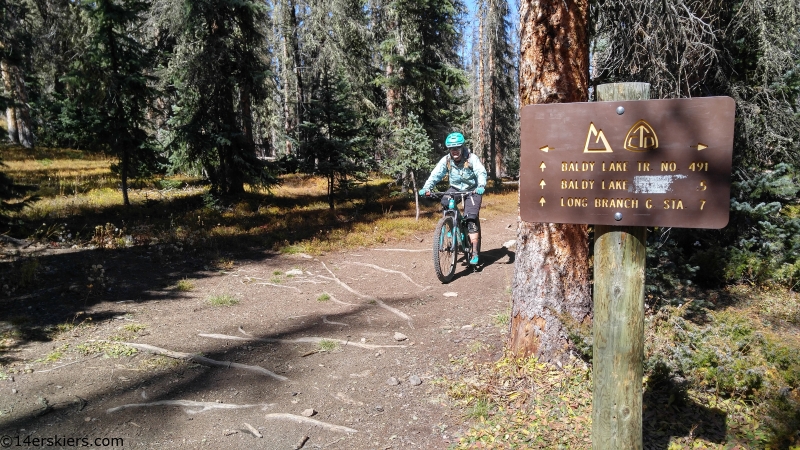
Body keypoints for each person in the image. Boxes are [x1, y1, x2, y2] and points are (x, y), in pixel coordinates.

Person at [419, 132, 487, 265]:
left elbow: (481, 172)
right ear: (449, 149)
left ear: (462, 147)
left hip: (472, 189)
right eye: (451, 148)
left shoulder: (471, 158)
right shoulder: (447, 160)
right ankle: (452, 224)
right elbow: (436, 174)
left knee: (471, 219)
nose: (454, 151)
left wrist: (481, 185)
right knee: (445, 202)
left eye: (457, 147)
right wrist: (427, 188)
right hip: (455, 188)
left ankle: (474, 252)